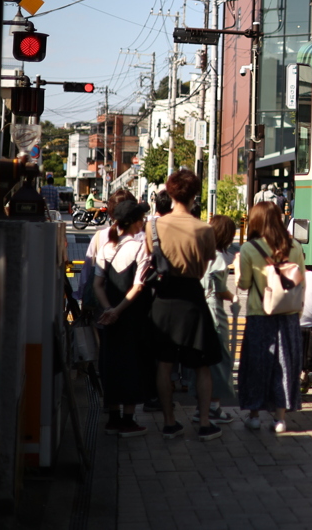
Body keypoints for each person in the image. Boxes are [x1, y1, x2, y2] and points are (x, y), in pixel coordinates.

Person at [144, 169, 224, 442]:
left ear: (170, 192)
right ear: (194, 195)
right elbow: (203, 268)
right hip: (191, 297)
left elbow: (149, 259)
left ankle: (169, 422)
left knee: (164, 364)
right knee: (202, 364)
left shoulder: (152, 226)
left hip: (163, 298)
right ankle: (204, 423)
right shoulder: (203, 229)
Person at [237, 201, 306, 433]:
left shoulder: (249, 249)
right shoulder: (294, 246)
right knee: (285, 366)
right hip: (288, 315)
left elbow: (244, 284)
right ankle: (279, 418)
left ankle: (254, 415)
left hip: (260, 314)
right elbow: (301, 281)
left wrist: (239, 269)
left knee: (257, 364)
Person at [94, 200, 153, 437]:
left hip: (109, 317)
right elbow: (138, 286)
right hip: (132, 316)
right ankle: (129, 421)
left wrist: (108, 309)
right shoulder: (140, 248)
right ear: (136, 222)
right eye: (142, 219)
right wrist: (119, 310)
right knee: (132, 364)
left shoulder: (106, 247)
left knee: (111, 363)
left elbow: (97, 284)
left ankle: (113, 419)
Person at [193, 215, 239, 425]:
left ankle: (200, 407)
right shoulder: (219, 258)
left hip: (197, 310)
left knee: (201, 360)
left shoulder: (199, 253)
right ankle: (214, 407)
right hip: (214, 312)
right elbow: (220, 291)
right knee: (219, 360)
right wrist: (234, 296)